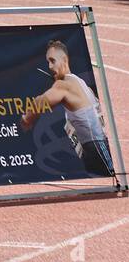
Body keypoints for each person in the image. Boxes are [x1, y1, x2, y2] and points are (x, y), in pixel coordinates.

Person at [19, 39, 115, 177]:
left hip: (97, 147)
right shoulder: (80, 82)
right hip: (93, 146)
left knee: (109, 182)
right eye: (48, 62)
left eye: (53, 61)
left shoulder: (64, 85)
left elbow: (42, 101)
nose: (50, 67)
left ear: (64, 60)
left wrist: (26, 118)